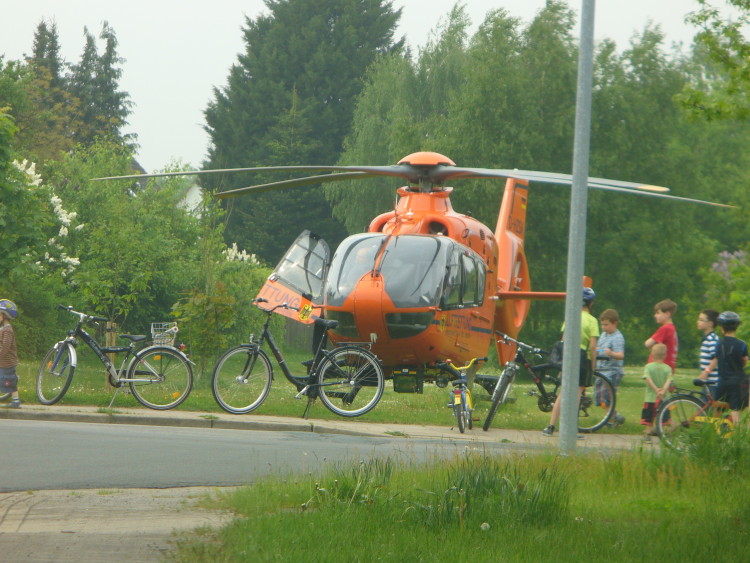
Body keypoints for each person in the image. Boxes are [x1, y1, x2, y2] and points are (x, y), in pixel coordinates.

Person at [542, 287, 599, 437]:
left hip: (568, 354)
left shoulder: (571, 317)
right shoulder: (592, 321)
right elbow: (593, 346)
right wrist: (593, 365)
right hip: (582, 357)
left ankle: (550, 426)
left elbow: (564, 339)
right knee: (577, 393)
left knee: (563, 392)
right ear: (591, 303)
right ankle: (571, 429)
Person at [702, 311, 748, 425]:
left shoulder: (719, 344)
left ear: (722, 327)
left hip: (722, 381)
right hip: (737, 382)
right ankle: (737, 433)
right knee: (736, 410)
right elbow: (744, 362)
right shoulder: (742, 344)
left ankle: (717, 429)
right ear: (736, 327)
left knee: (718, 408)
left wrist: (707, 371)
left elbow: (717, 358)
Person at [596, 308, 626, 426]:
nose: (603, 327)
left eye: (606, 325)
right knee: (600, 397)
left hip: (612, 371)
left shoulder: (617, 337)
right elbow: (600, 349)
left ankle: (609, 420)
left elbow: (621, 355)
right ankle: (616, 416)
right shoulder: (603, 335)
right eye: (602, 325)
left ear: (615, 323)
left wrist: (611, 353)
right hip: (602, 371)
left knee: (607, 396)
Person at [640, 343, 672, 440]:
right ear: (665, 355)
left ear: (652, 354)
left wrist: (656, 389)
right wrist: (663, 391)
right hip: (664, 398)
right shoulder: (668, 368)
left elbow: (648, 379)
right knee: (663, 417)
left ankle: (647, 434)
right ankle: (663, 434)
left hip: (650, 397)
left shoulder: (648, 367)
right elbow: (669, 381)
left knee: (649, 417)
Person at [644, 299, 678, 374]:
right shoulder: (672, 328)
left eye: (658, 313)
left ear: (667, 314)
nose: (655, 315)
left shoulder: (665, 328)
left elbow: (647, 343)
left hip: (659, 367)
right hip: (668, 366)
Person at [0, 299, 20, 408]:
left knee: (10, 382)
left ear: (5, 316)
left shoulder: (7, 331)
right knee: (8, 381)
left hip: (7, 363)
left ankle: (16, 401)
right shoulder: (3, 329)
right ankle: (15, 401)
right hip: (3, 362)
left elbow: (5, 348)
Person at [696, 309, 720, 399]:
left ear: (710, 324)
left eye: (701, 320)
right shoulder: (707, 338)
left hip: (712, 382)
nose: (698, 322)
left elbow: (716, 358)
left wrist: (707, 371)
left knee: (707, 405)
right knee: (702, 404)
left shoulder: (712, 339)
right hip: (707, 381)